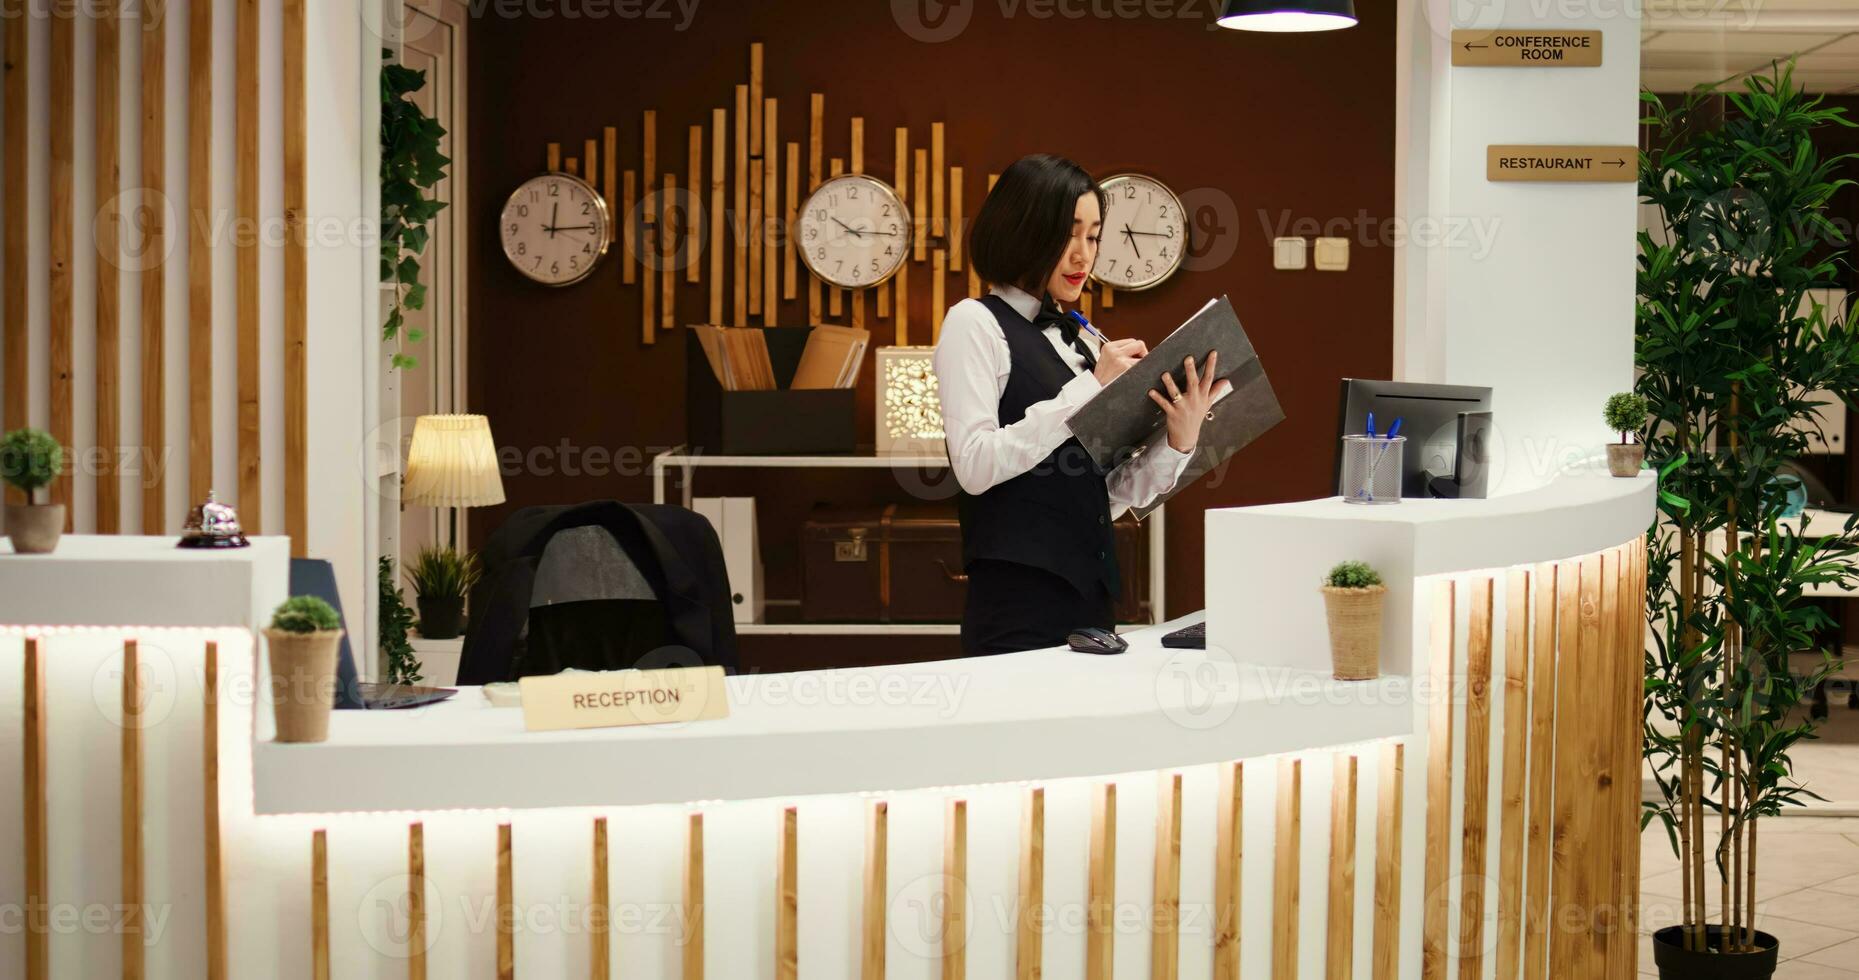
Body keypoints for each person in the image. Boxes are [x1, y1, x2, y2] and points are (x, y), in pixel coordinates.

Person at [933, 153, 1226, 655]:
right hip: (1015, 607)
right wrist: (1089, 387)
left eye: (1092, 237)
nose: (1082, 255)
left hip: (1092, 601)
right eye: (1068, 234)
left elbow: (1103, 496)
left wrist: (1180, 439)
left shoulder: (1084, 340)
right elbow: (974, 465)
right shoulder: (972, 323)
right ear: (1023, 230)